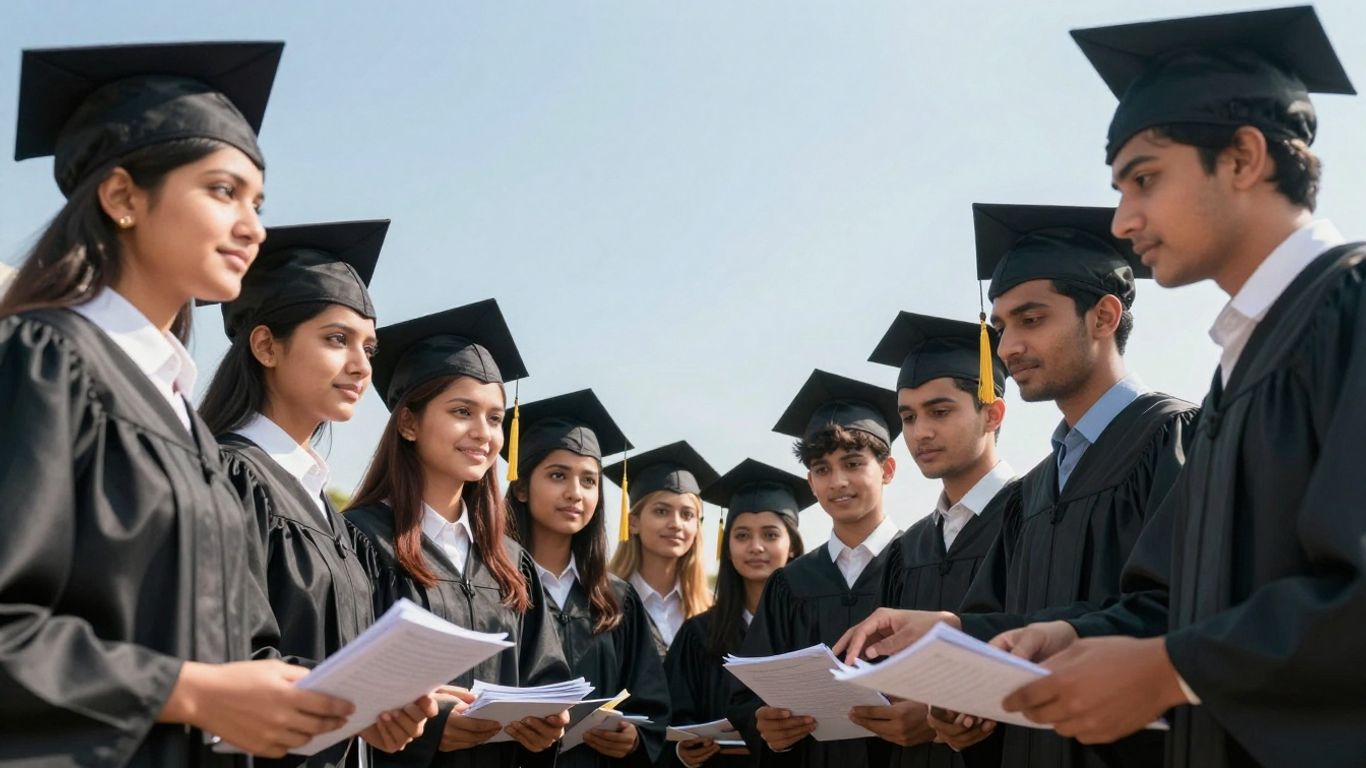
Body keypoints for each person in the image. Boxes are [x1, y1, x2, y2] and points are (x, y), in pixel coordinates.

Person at [997, 8, 1366, 767]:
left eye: (1144, 179)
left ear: (1242, 157)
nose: (1124, 219)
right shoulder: (1241, 364)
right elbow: (1181, 604)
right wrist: (1077, 634)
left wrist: (1174, 667)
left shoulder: (1352, 313)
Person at [0, 41, 357, 764]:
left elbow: (243, 651)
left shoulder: (184, 424)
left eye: (257, 202)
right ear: (123, 197)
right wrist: (190, 692)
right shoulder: (44, 360)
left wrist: (345, 700)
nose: (253, 227)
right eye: (223, 192)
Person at [836, 205, 1197, 768]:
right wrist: (951, 639)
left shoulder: (1172, 438)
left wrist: (1057, 636)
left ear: (1103, 316)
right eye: (1002, 326)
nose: (1006, 348)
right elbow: (1007, 630)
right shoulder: (1033, 492)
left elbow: (1184, 612)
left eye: (1032, 320)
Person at [199, 219, 435, 766]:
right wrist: (354, 703)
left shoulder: (323, 509)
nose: (361, 366)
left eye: (369, 347)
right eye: (336, 340)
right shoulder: (228, 477)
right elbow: (225, 660)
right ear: (265, 345)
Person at [345, 299, 571, 768]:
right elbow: (349, 687)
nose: (483, 433)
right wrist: (430, 728)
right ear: (408, 422)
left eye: (494, 417)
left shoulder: (510, 560)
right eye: (462, 411)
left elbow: (545, 675)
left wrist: (548, 719)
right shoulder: (359, 540)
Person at [857, 312, 1020, 768]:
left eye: (940, 411)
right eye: (908, 417)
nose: (919, 432)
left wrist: (937, 718)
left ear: (992, 413)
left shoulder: (1038, 515)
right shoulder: (907, 549)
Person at [728, 369, 901, 768]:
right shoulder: (789, 583)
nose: (837, 481)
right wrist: (768, 728)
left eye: (854, 463)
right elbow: (744, 696)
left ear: (888, 470)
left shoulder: (924, 561)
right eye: (822, 469)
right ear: (810, 481)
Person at [503, 389, 671, 767]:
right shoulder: (491, 583)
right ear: (521, 488)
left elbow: (651, 705)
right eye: (558, 475)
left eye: (589, 481)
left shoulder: (617, 598)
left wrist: (633, 739)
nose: (575, 493)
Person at [666, 458, 810, 768]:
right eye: (742, 535)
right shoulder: (698, 634)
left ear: (793, 546)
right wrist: (682, 752)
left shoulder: (811, 626)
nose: (755, 546)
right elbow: (673, 717)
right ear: (727, 548)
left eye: (770, 535)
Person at [604, 441, 718, 658]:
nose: (676, 524)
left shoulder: (712, 608)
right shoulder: (604, 599)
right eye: (661, 511)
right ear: (633, 522)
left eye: (687, 515)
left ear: (697, 526)